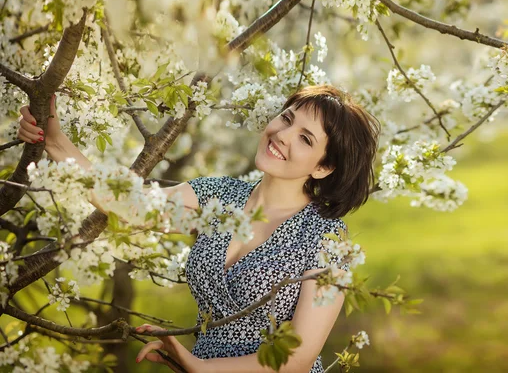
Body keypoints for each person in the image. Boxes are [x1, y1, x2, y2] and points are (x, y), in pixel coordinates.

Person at [18, 84, 380, 372]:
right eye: (286, 119)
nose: (283, 135)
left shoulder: (327, 240)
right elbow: (133, 206)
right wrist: (55, 140)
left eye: (306, 138)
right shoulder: (218, 196)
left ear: (323, 168)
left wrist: (200, 367)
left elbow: (295, 361)